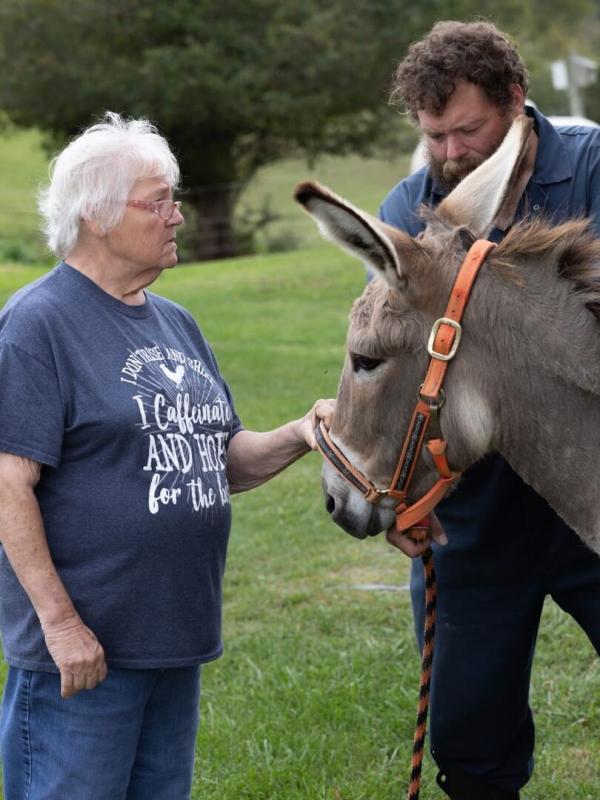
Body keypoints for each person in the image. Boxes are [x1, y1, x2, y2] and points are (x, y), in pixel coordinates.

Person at [0, 112, 334, 800]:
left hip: (172, 642)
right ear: (95, 215)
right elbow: (8, 484)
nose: (177, 216)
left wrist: (302, 432)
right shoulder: (38, 324)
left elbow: (220, 458)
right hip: (85, 657)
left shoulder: (176, 322)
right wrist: (61, 627)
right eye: (158, 201)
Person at [380, 21, 600, 800]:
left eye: (466, 130)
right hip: (473, 518)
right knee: (470, 737)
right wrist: (398, 492)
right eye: (433, 136)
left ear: (516, 100)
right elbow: (390, 370)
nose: (448, 155)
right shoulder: (409, 211)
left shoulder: (594, 166)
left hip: (592, 493)